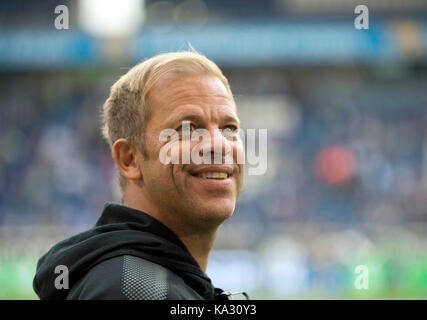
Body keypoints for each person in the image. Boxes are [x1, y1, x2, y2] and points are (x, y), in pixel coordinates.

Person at [33, 50, 245, 300]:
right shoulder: (136, 291)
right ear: (129, 159)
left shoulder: (143, 279)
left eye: (229, 128)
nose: (219, 145)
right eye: (188, 128)